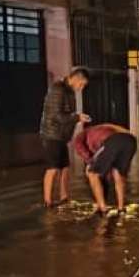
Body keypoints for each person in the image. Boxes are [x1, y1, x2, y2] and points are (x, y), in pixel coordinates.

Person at [39, 69, 91, 207]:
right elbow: (57, 116)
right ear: (75, 78)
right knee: (53, 168)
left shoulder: (69, 91)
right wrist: (77, 117)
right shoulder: (58, 89)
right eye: (82, 84)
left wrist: (77, 118)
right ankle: (48, 201)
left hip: (61, 136)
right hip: (52, 134)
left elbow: (67, 114)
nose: (81, 88)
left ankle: (64, 197)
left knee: (65, 167)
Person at [73, 122, 137, 216]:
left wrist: (89, 163)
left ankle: (102, 209)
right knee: (118, 173)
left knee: (92, 173)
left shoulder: (80, 136)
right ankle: (121, 208)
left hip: (113, 141)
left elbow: (83, 151)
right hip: (131, 141)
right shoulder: (105, 127)